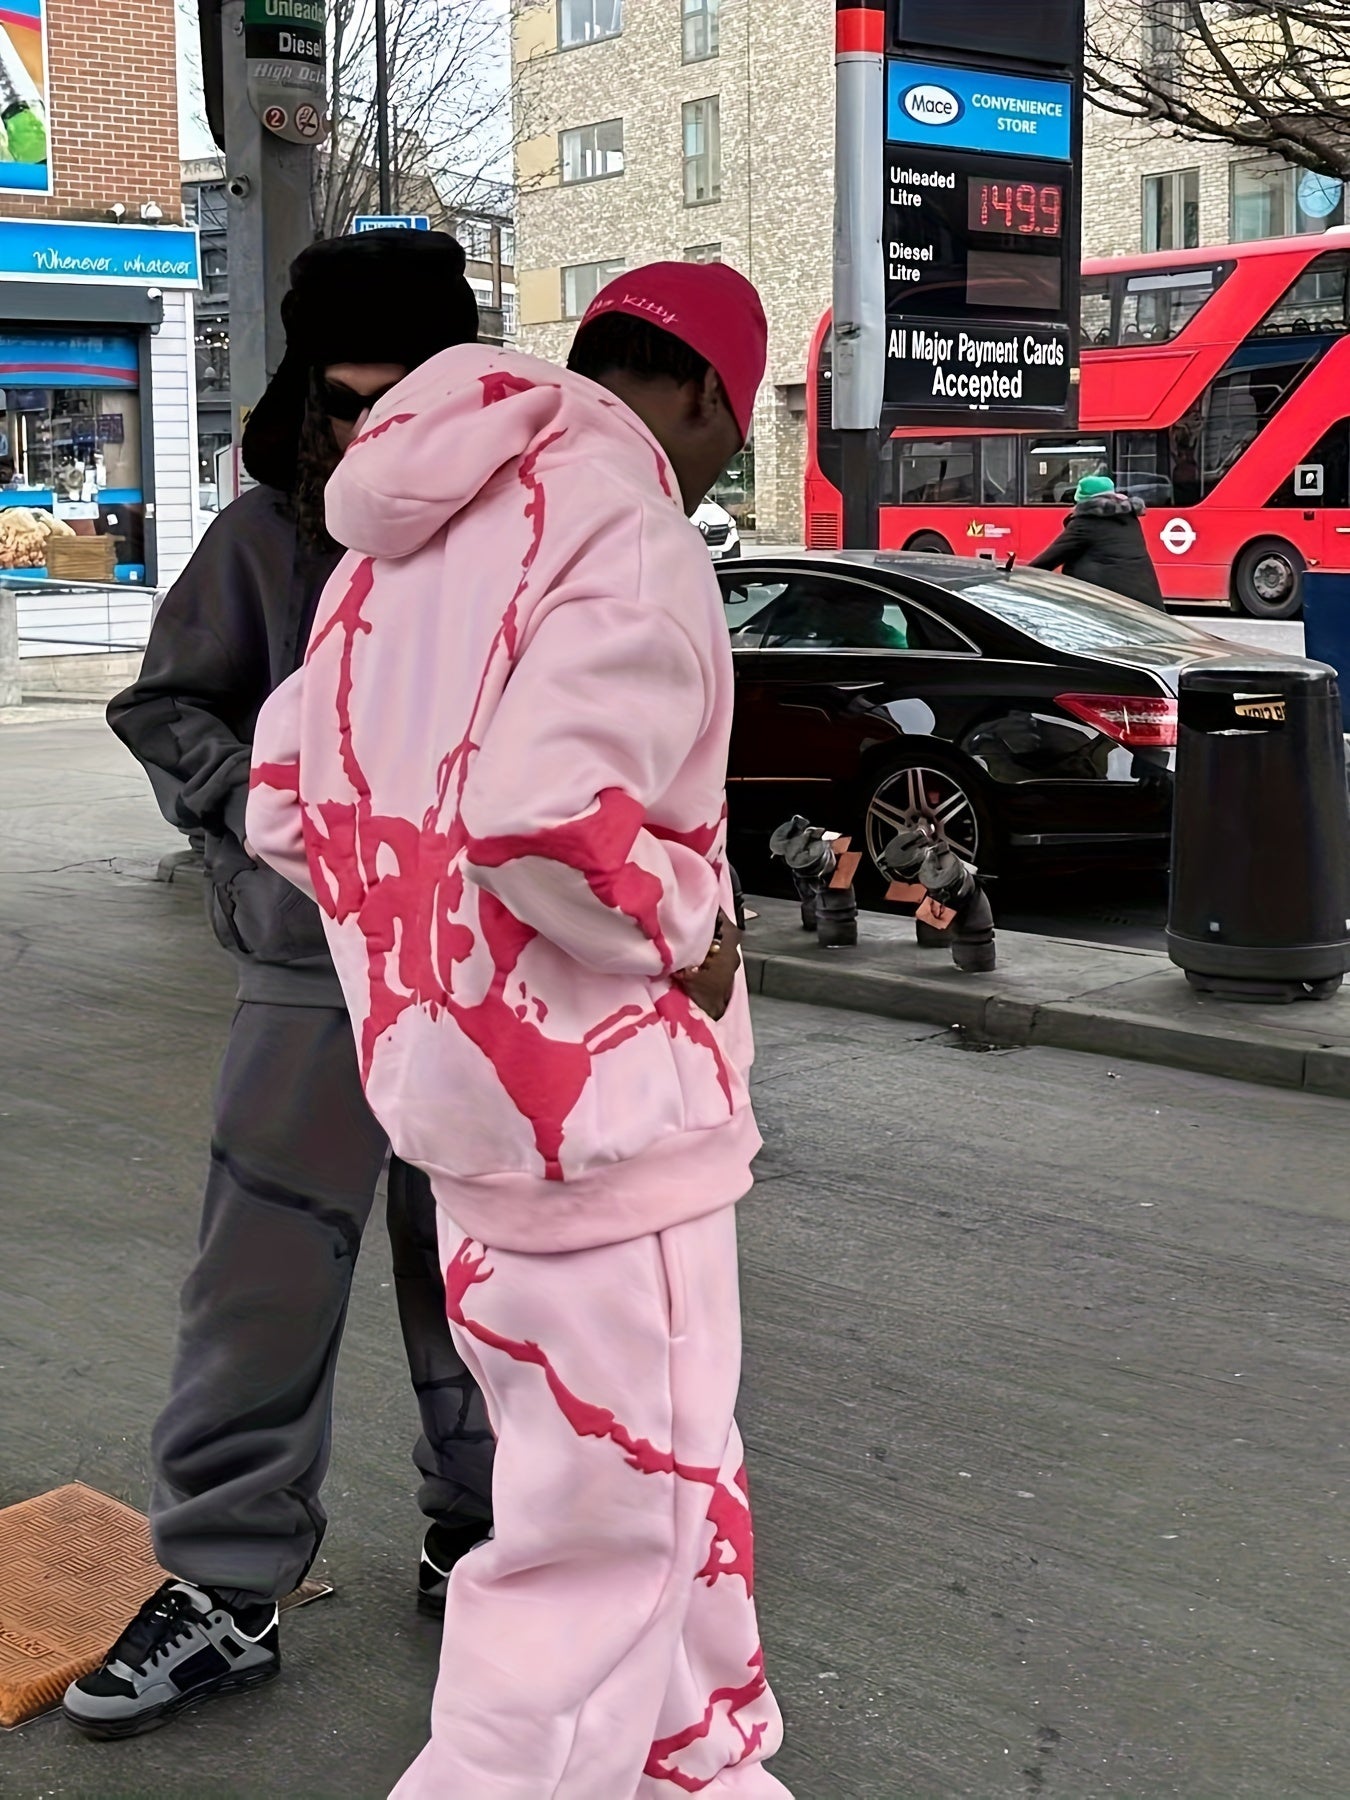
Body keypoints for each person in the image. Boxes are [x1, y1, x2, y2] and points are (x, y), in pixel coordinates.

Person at [246, 261, 791, 1796]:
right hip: (609, 1130)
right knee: (600, 1561)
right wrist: (690, 924)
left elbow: (286, 800)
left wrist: (422, 958)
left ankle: (706, 1770)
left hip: (472, 1123)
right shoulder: (626, 528)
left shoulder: (405, 552)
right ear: (702, 394)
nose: (718, 466)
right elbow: (546, 820)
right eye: (734, 432)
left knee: (665, 1499)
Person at [63, 230, 495, 1742]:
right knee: (256, 1282)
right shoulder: (263, 537)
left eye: (404, 397)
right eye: (347, 399)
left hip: (482, 978)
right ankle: (224, 1584)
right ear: (310, 392)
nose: (374, 433)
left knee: (485, 1274)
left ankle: (485, 1533)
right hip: (315, 970)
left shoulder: (531, 535)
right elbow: (164, 702)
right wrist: (259, 816)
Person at [1028, 472, 1166, 608]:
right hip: (1146, 602)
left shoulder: (1086, 522)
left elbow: (1050, 558)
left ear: (1082, 501)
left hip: (1112, 604)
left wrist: (1021, 576)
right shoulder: (1129, 517)